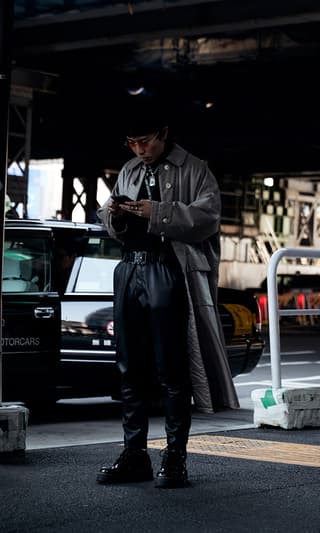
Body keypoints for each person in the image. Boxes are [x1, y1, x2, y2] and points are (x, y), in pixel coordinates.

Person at [95, 99, 238, 489]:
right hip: (129, 268)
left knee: (172, 368)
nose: (139, 149)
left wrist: (153, 212)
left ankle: (175, 458)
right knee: (130, 367)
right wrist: (115, 216)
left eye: (144, 141)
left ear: (163, 134)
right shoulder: (128, 170)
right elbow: (105, 219)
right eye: (131, 143)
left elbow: (207, 219)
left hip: (168, 268)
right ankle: (134, 454)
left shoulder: (194, 169)